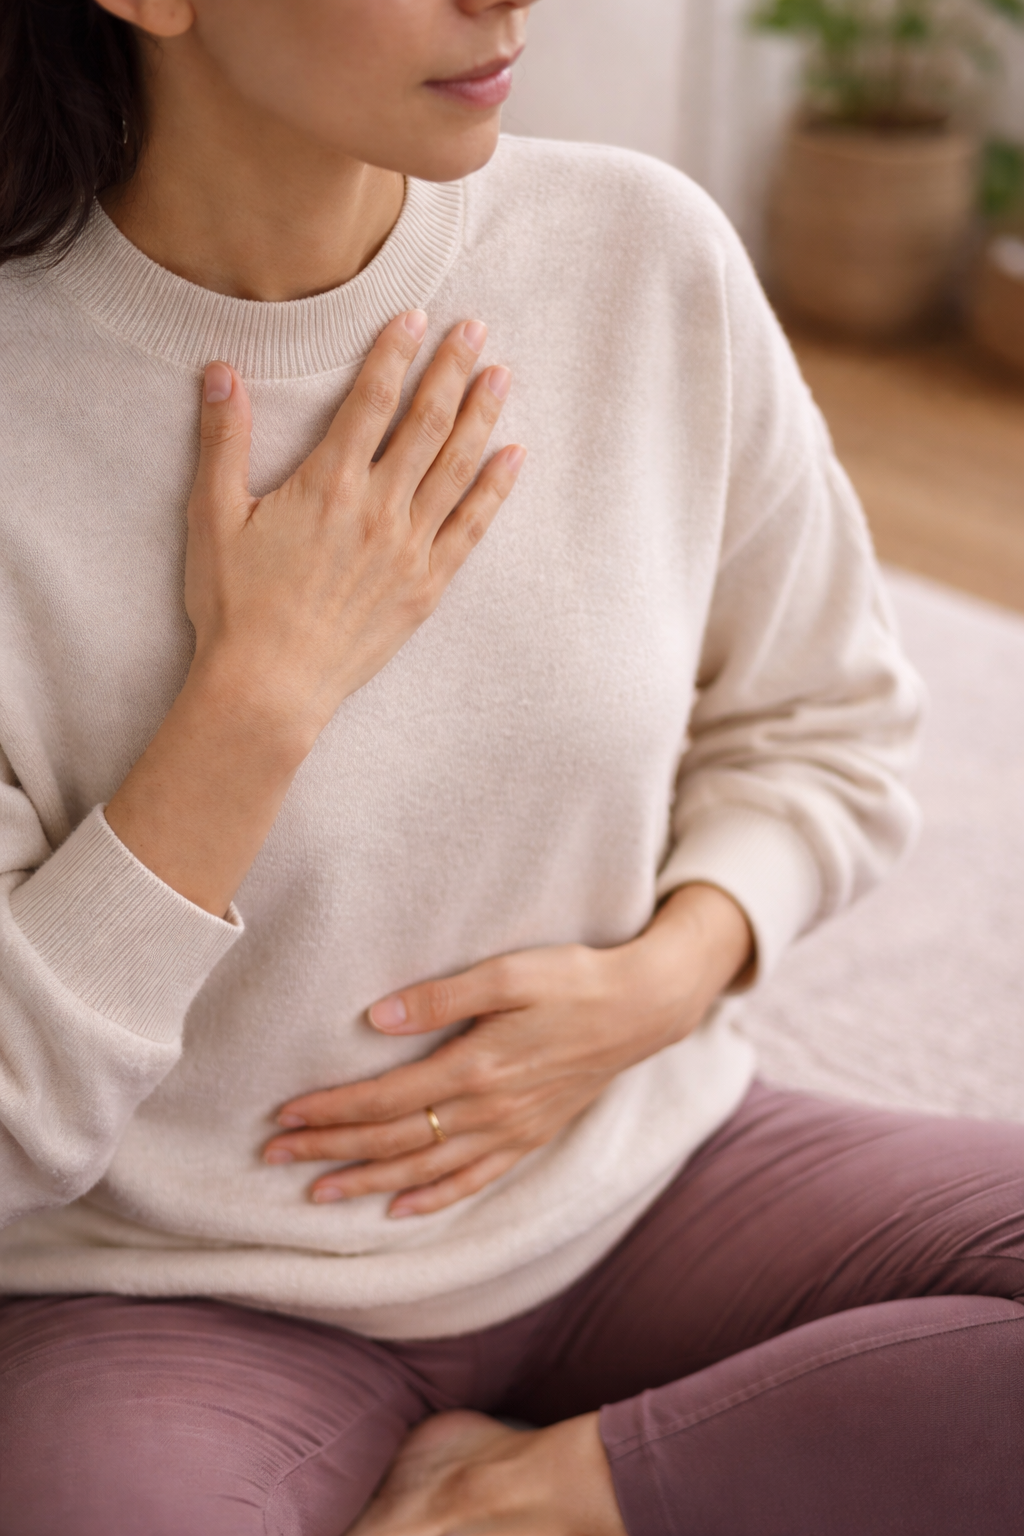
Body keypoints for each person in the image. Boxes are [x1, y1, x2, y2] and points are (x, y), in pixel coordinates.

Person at [0, 0, 1021, 1532]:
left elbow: (828, 717)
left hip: (634, 1179)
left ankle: (520, 1492)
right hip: (176, 1292)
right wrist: (258, 695)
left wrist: (670, 977)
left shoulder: (637, 253)